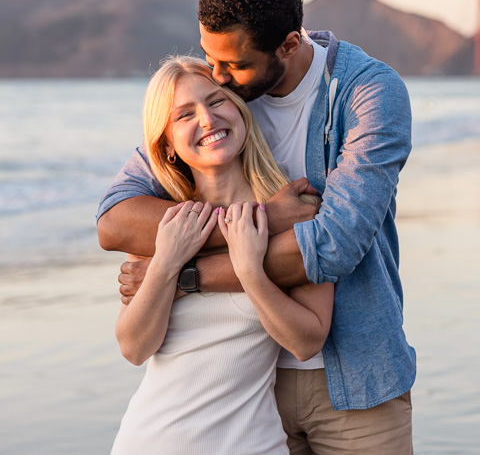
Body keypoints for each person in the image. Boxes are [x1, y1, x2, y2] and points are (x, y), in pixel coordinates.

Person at [97, 0, 415, 454]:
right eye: (210, 58)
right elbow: (116, 219)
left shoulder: (366, 95)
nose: (218, 78)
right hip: (250, 399)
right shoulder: (216, 95)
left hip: (354, 381)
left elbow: (330, 247)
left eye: (234, 66)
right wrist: (261, 221)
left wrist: (183, 275)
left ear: (289, 43)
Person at [112, 56, 333, 454]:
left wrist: (251, 272)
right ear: (167, 144)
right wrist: (165, 263)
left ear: (240, 108)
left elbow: (306, 342)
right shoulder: (164, 226)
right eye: (184, 115)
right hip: (152, 441)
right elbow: (133, 348)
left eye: (216, 101)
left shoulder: (294, 210)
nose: (208, 120)